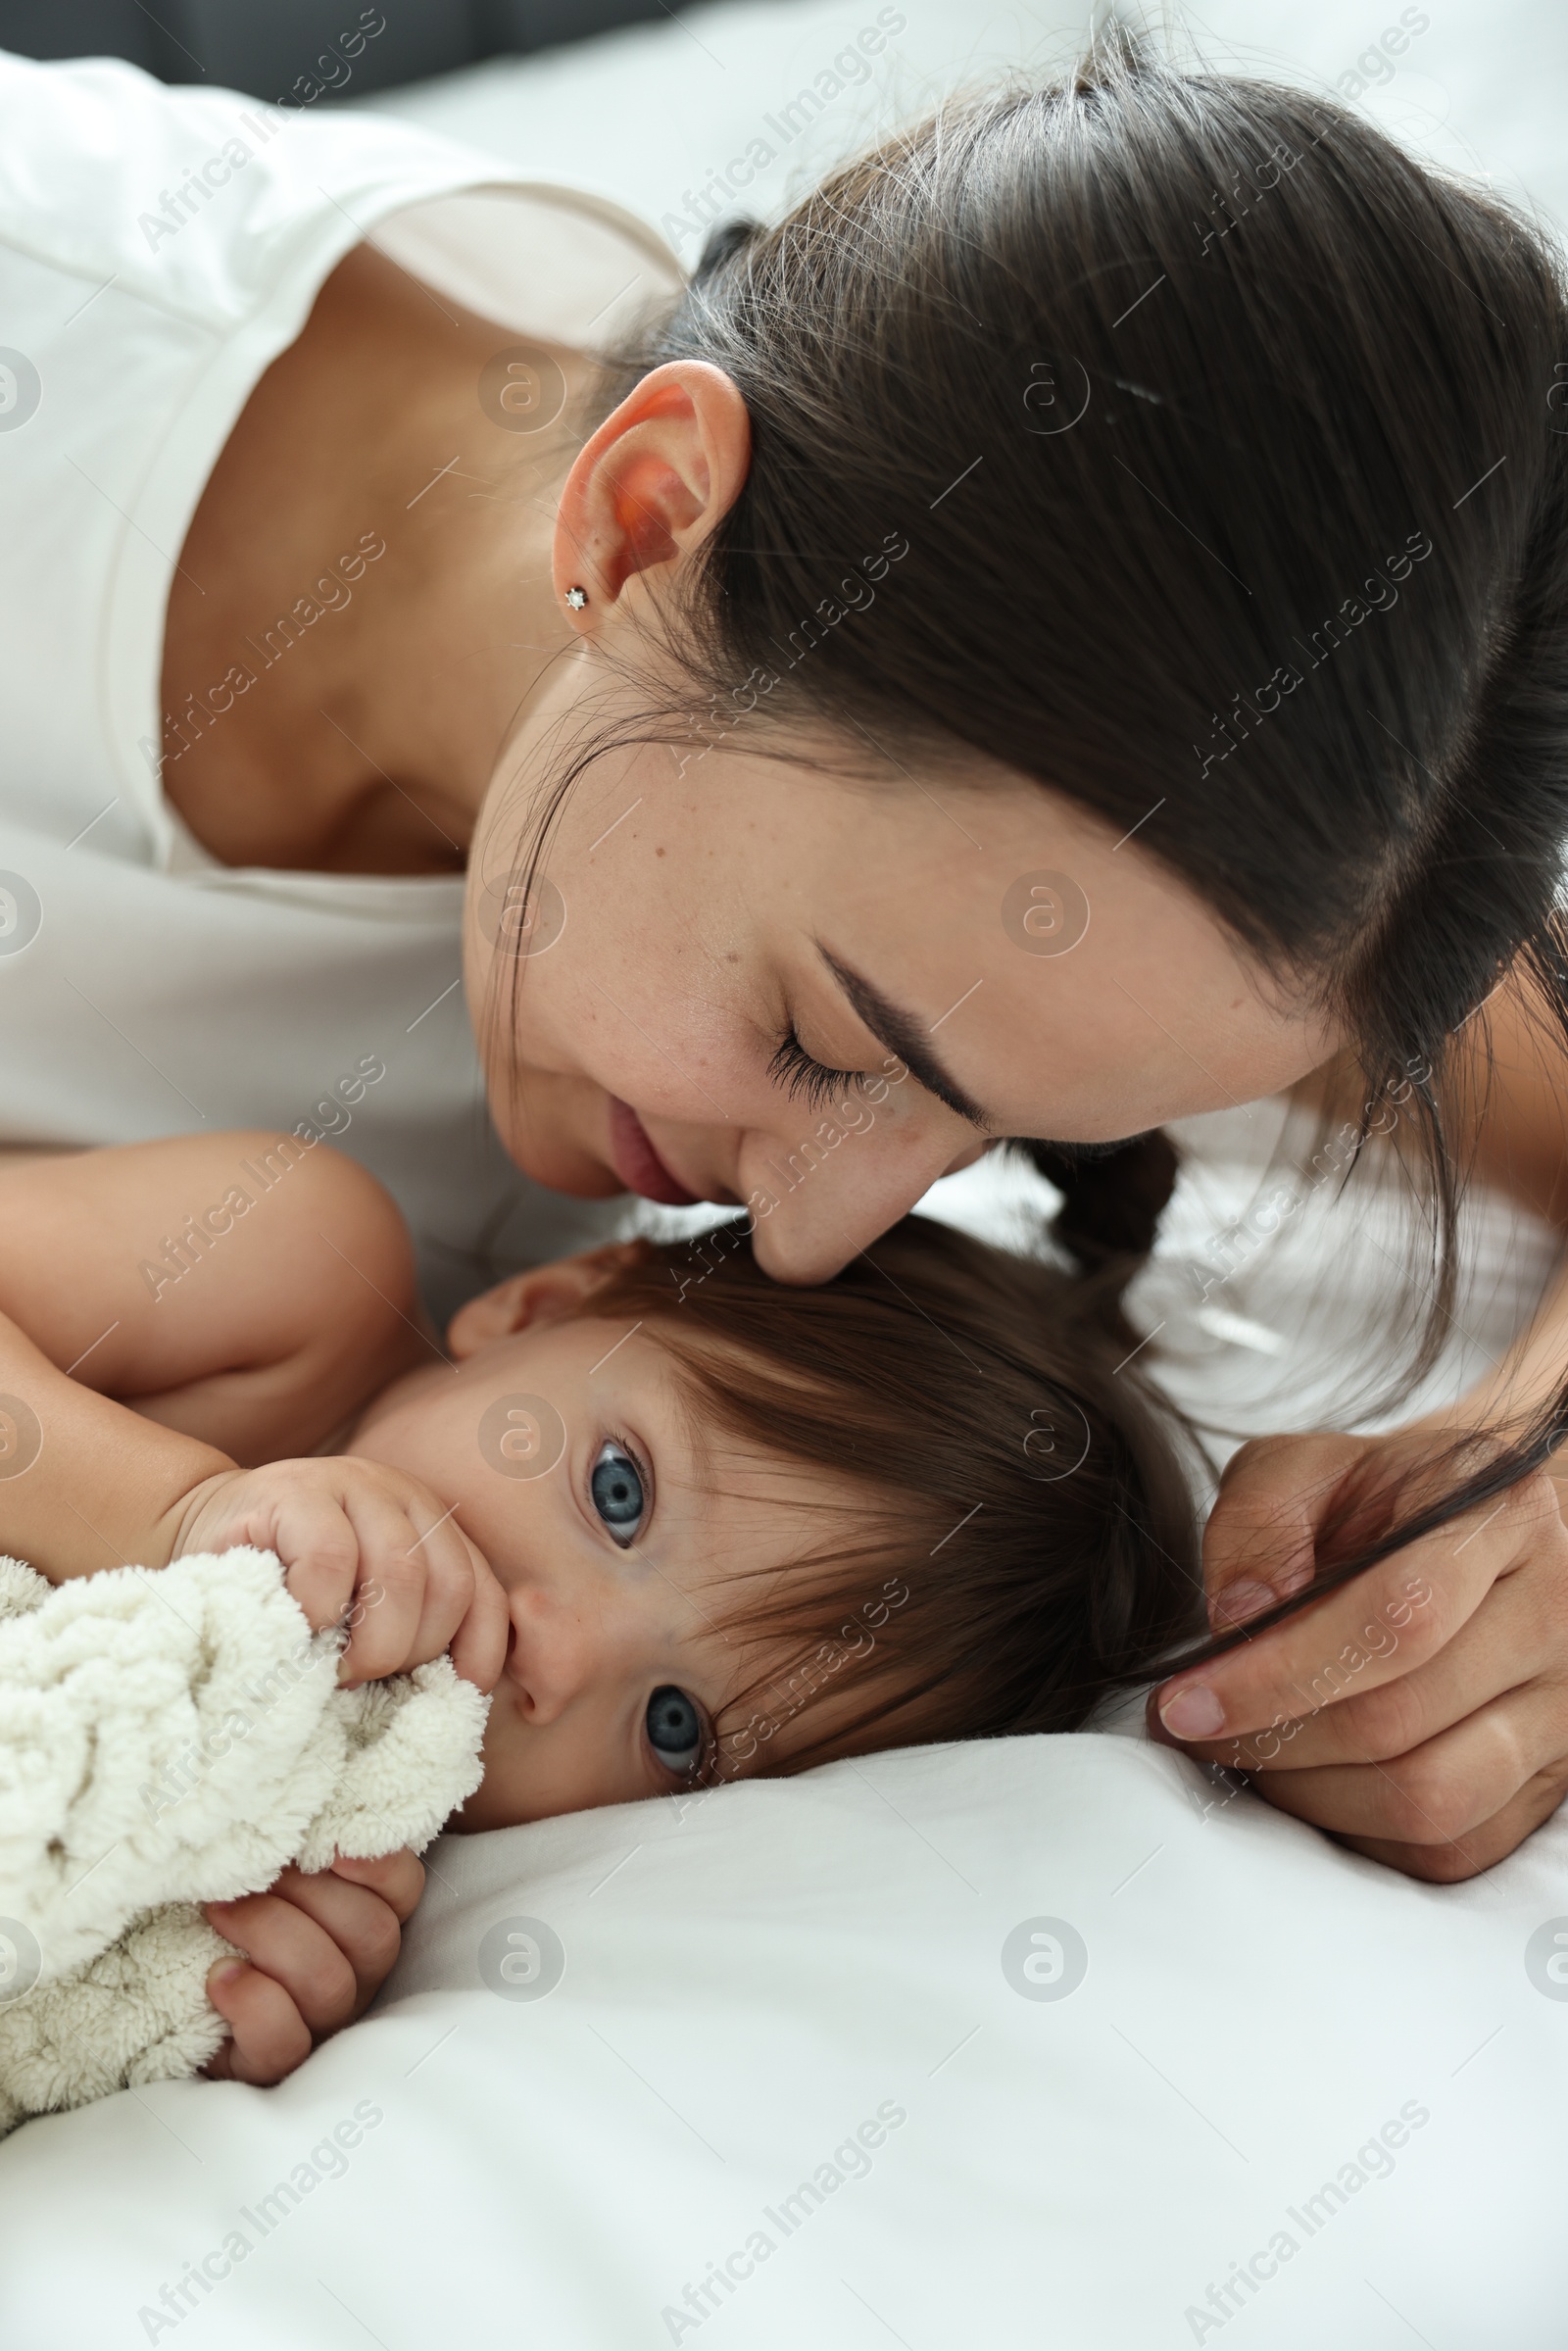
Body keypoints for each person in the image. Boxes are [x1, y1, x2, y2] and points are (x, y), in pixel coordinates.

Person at [3, 34, 1568, 1913]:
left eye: (982, 1135)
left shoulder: (1160, 849)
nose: (816, 1233)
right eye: (830, 1039)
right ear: (647, 515)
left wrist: (1533, 1479)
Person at [0, 1127, 1201, 2083]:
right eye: (616, 1490)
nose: (556, 1652)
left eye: (675, 1727)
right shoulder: (300, 1274)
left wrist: (162, 2000)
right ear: (538, 1307)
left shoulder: (337, 1859)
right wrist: (179, 1510)